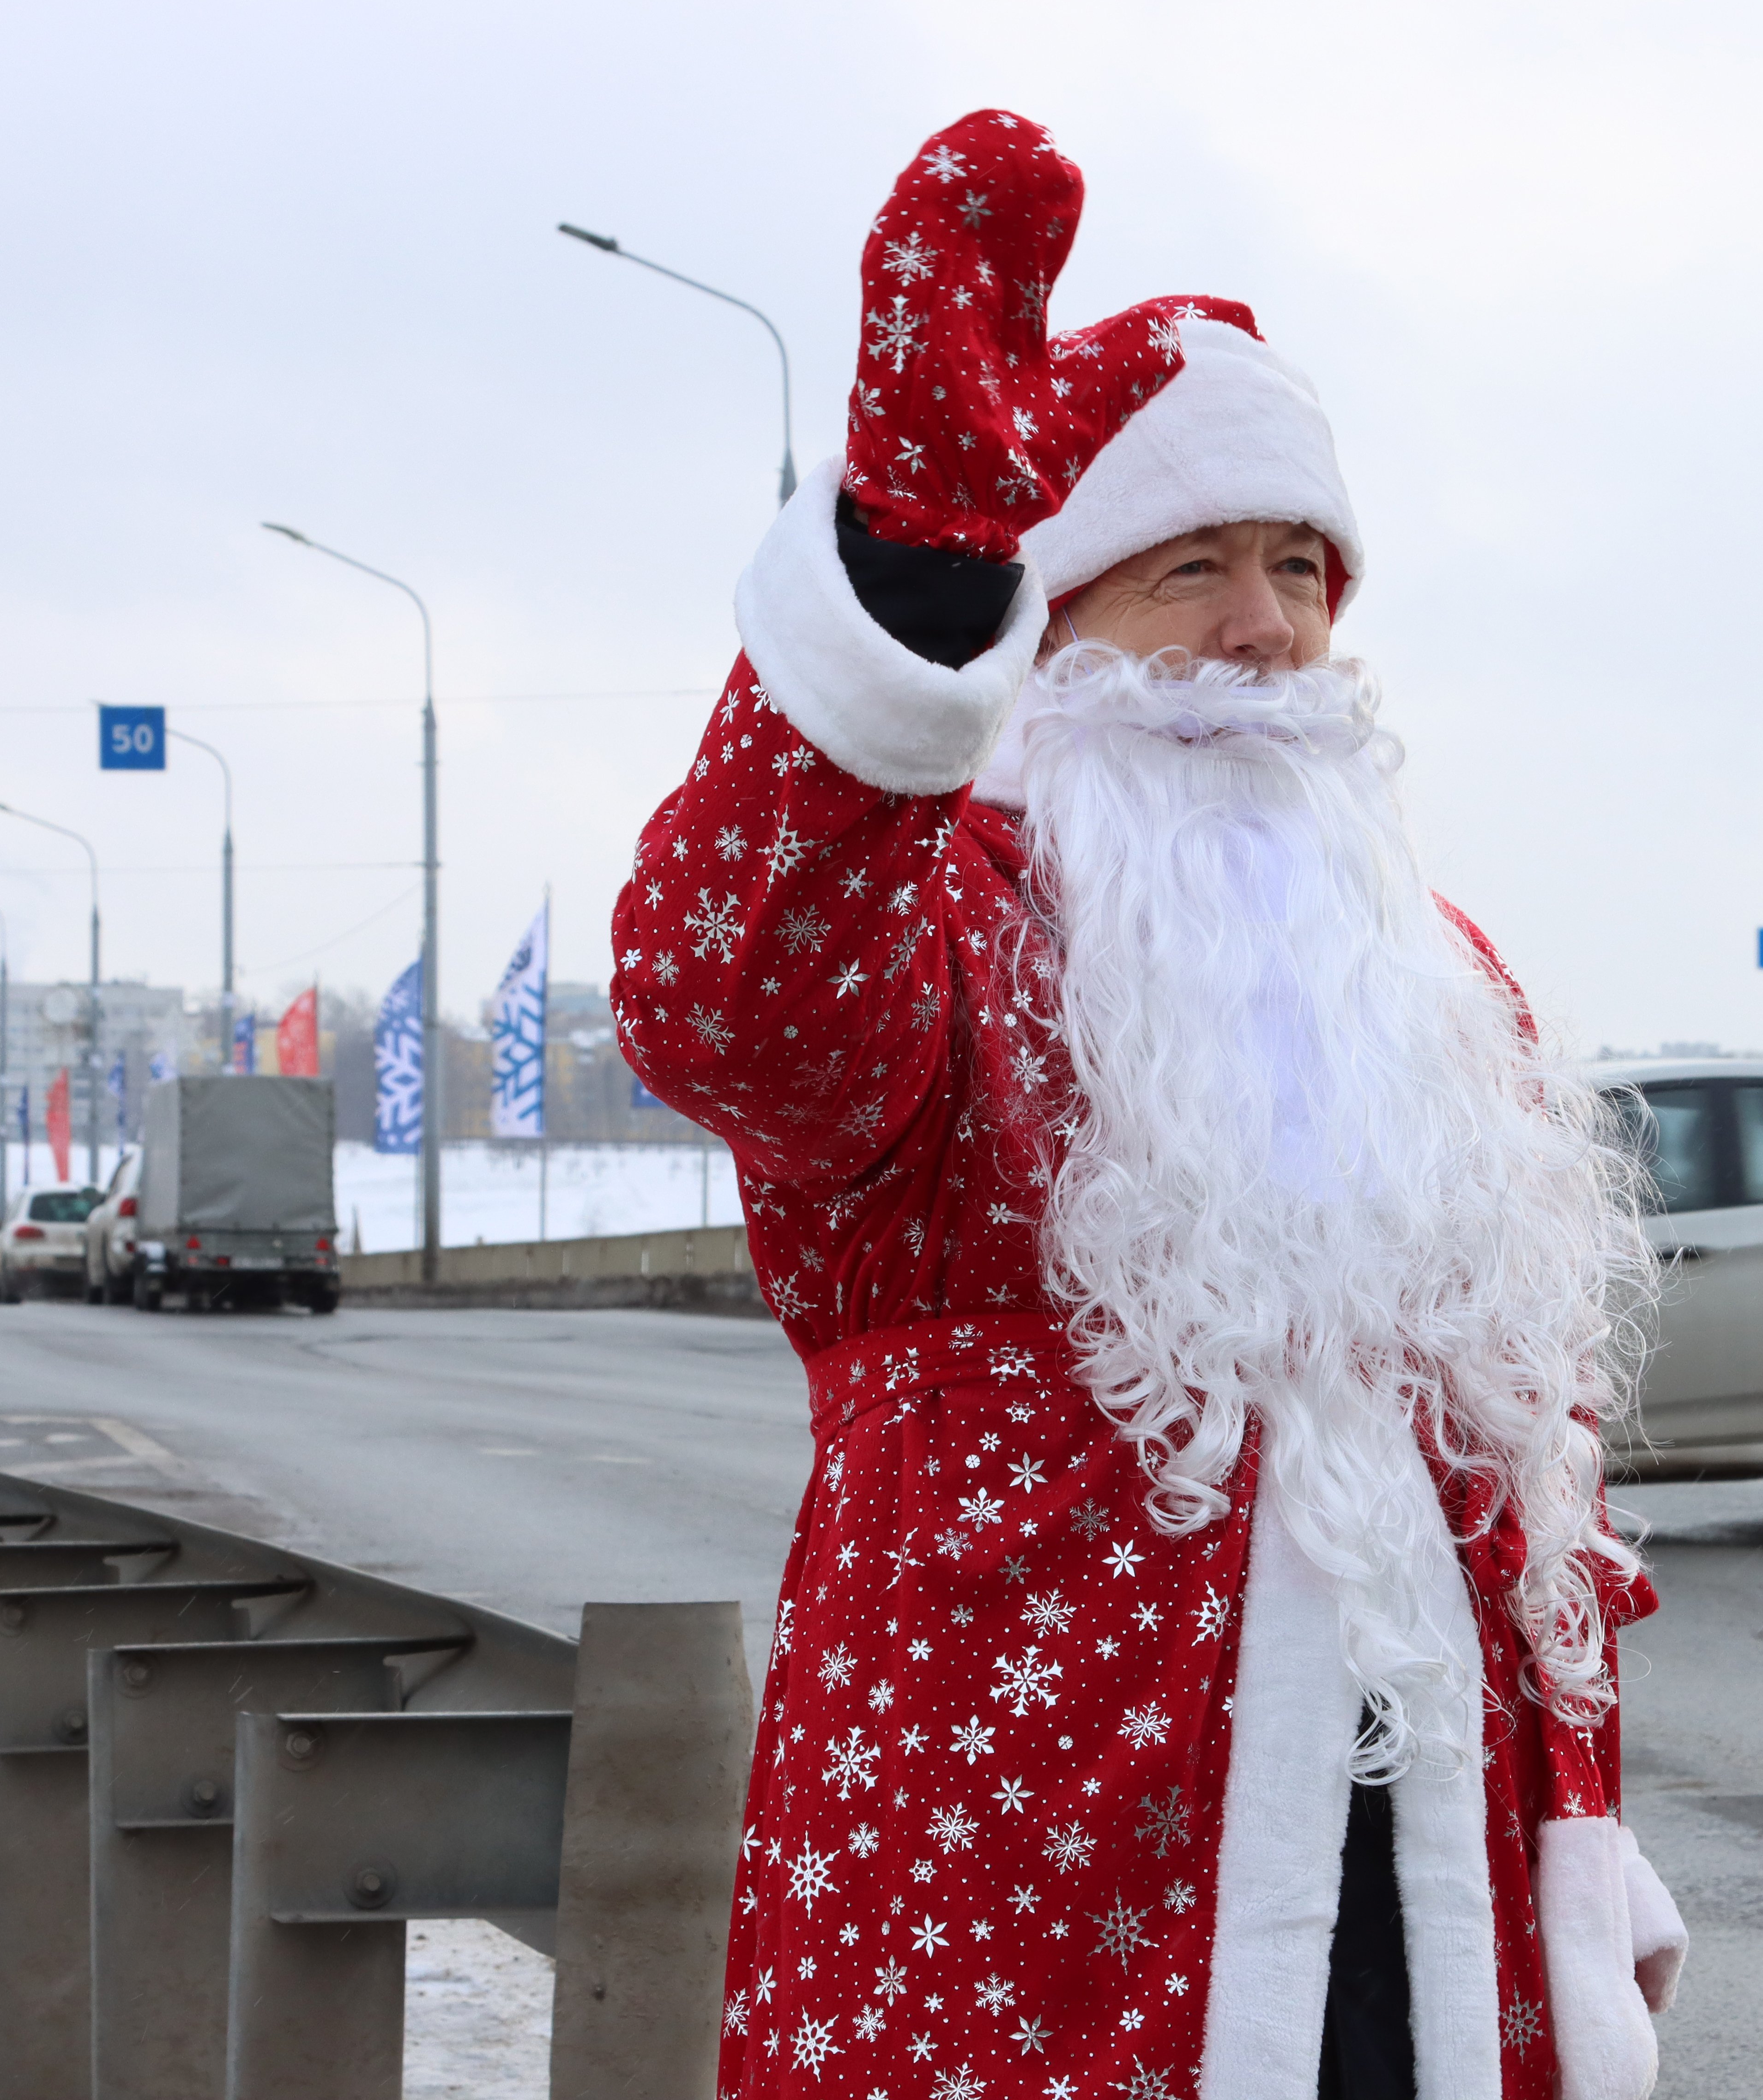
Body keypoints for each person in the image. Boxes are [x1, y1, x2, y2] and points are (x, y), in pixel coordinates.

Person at [612, 109, 1685, 2100]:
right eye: (1190, 568)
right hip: (1007, 1884)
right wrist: (903, 587)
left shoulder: (1434, 979)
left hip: (1421, 1897)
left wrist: (1586, 1820)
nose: (1265, 630)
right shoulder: (933, 909)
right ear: (1057, 621)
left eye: (1302, 569)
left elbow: (1537, 1466)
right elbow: (722, 998)